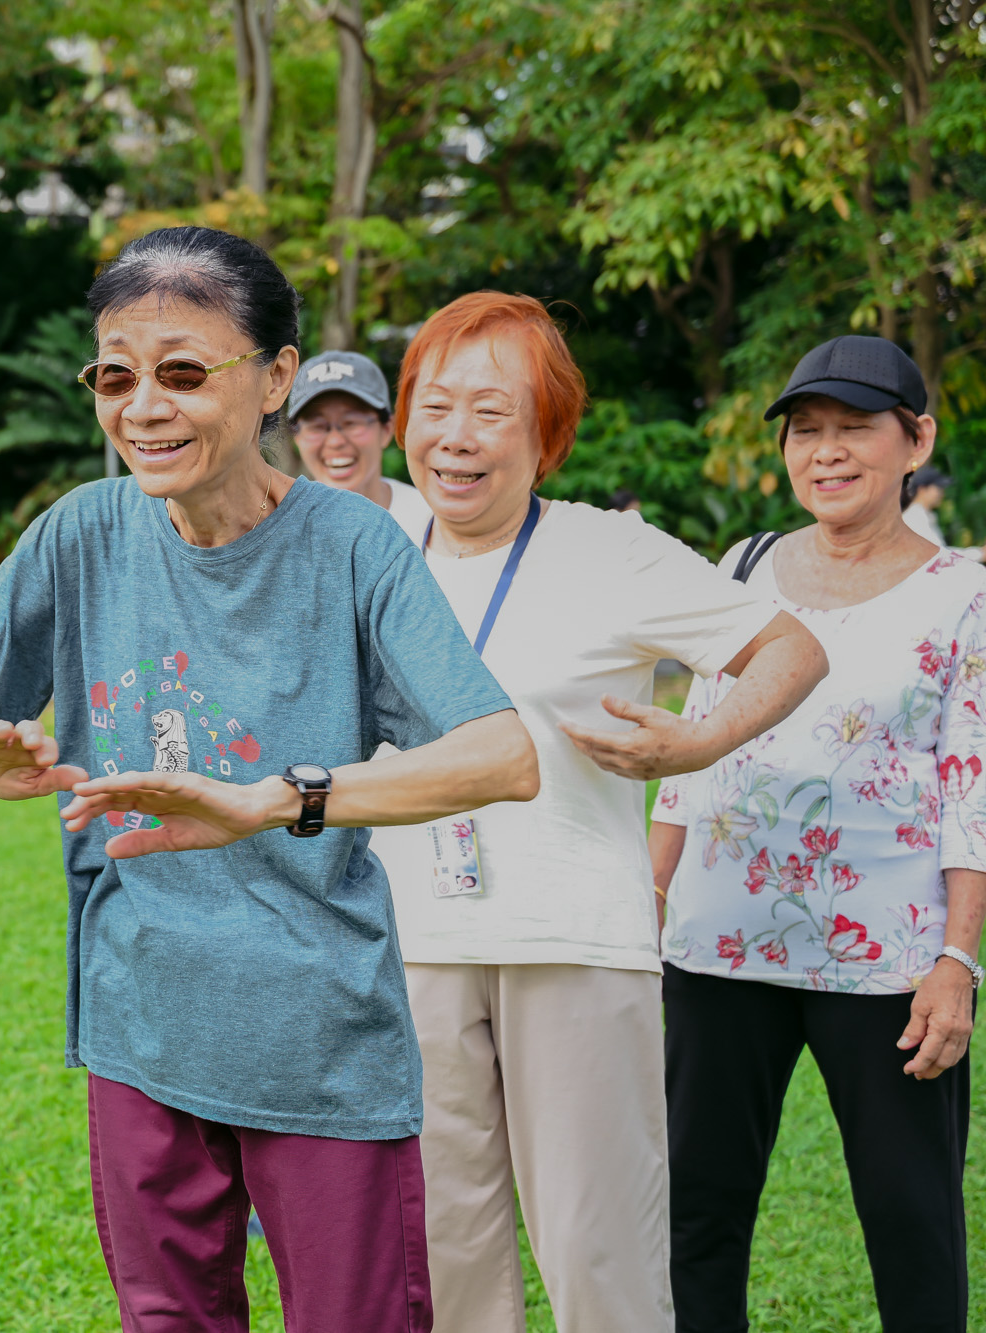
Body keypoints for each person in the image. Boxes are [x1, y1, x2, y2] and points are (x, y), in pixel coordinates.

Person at [0, 226, 542, 1333]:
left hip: (318, 1035)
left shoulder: (354, 545)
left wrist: (274, 800)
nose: (143, 408)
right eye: (115, 377)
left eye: (182, 373)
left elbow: (500, 755)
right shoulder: (83, 532)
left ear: (274, 379)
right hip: (140, 1024)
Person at [364, 292, 827, 1333]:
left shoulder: (609, 550)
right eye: (434, 406)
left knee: (595, 1249)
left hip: (569, 938)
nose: (456, 436)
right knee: (445, 1249)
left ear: (548, 435)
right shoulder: (371, 548)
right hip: (410, 943)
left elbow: (790, 649)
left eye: (492, 409)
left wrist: (695, 740)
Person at [651, 334, 985, 1333]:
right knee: (695, 1211)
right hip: (715, 946)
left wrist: (957, 960)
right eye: (805, 431)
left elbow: (971, 786)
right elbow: (691, 748)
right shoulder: (743, 565)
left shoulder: (964, 592)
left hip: (885, 962)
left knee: (911, 1219)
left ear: (916, 440)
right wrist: (649, 899)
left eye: (853, 428)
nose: (825, 451)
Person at [288, 349, 434, 538]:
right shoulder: (279, 530)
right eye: (318, 426)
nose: (335, 441)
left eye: (351, 423)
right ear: (297, 437)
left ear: (386, 429)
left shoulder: (430, 521)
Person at [902, 465, 950, 545]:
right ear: (922, 489)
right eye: (938, 489)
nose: (942, 494)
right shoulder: (914, 518)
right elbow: (937, 550)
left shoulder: (924, 515)